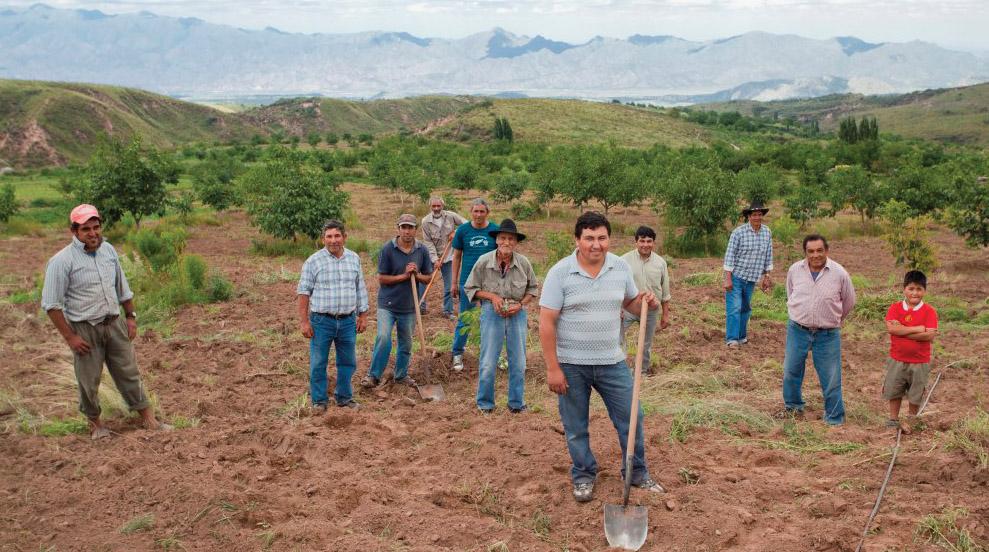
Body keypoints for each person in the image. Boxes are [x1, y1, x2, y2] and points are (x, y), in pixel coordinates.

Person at [539, 211, 666, 503]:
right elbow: (546, 322)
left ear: (609, 239)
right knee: (575, 426)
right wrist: (553, 368)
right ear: (577, 240)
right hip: (571, 364)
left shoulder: (620, 267)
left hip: (612, 360)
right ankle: (583, 474)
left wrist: (646, 303)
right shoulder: (560, 272)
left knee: (632, 417)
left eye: (602, 238)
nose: (596, 244)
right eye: (589, 238)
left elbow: (631, 304)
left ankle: (635, 473)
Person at [40, 204, 170, 440]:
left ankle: (149, 420)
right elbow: (51, 305)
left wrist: (130, 317)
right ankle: (96, 426)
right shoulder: (61, 261)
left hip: (114, 324)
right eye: (86, 229)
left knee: (129, 373)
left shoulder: (108, 251)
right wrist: (71, 337)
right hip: (84, 330)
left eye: (96, 227)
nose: (92, 233)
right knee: (89, 381)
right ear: (74, 231)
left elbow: (123, 288)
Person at [780, 234, 856, 426]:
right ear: (805, 253)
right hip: (798, 329)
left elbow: (849, 301)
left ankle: (834, 418)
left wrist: (834, 319)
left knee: (831, 376)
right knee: (791, 370)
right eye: (811, 251)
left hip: (827, 333)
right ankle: (793, 407)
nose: (815, 255)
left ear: (826, 251)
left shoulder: (839, 273)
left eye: (819, 250)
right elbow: (790, 293)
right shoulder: (795, 270)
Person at [463, 219, 538, 414]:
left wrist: (520, 304)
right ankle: (485, 404)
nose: (506, 242)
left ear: (515, 242)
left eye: (511, 239)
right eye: (503, 238)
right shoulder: (483, 261)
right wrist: (492, 297)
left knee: (519, 361)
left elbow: (532, 289)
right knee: (488, 361)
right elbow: (470, 288)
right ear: (497, 240)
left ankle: (516, 403)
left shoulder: (523, 263)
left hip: (517, 314)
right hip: (491, 312)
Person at [297, 220, 370, 413]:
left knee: (347, 362)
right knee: (318, 362)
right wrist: (304, 322)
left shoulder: (354, 259)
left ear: (344, 237)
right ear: (323, 239)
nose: (333, 240)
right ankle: (319, 401)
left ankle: (344, 398)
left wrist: (363, 315)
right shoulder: (313, 261)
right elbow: (304, 292)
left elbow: (360, 288)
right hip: (322, 321)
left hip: (347, 321)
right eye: (329, 236)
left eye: (337, 236)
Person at [362, 214, 433, 387]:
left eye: (410, 227)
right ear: (398, 229)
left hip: (409, 306)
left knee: (406, 342)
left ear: (416, 230)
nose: (407, 231)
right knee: (384, 337)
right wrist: (404, 276)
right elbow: (382, 278)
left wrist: (417, 274)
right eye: (404, 227)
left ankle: (401, 375)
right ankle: (373, 375)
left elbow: (428, 278)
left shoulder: (421, 250)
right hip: (388, 304)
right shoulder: (388, 249)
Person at [883, 270, 937, 432]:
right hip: (897, 358)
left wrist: (903, 329)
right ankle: (893, 419)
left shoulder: (929, 311)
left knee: (916, 392)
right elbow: (892, 330)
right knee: (894, 389)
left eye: (919, 289)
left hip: (920, 361)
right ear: (904, 289)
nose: (915, 293)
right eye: (911, 288)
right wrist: (918, 329)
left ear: (924, 291)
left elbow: (929, 335)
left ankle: (911, 420)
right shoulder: (895, 308)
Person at [450, 198, 499, 372]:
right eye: (475, 211)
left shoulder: (495, 230)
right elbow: (456, 257)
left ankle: (496, 355)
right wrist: (454, 282)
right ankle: (457, 353)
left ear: (487, 213)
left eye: (482, 211)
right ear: (470, 212)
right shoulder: (463, 231)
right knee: (465, 318)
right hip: (468, 282)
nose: (478, 215)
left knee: (494, 318)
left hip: (491, 282)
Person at [620, 226, 672, 374]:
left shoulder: (660, 263)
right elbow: (617, 287)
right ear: (636, 242)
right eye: (642, 241)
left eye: (649, 241)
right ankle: (620, 369)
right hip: (628, 307)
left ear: (653, 243)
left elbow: (665, 291)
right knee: (617, 337)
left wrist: (665, 315)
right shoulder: (623, 261)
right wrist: (618, 308)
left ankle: (641, 371)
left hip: (651, 309)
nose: (645, 245)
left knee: (646, 343)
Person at [723, 201, 773, 347]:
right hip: (736, 276)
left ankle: (741, 336)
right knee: (734, 307)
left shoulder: (767, 232)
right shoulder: (738, 233)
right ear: (748, 217)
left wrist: (767, 276)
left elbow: (768, 255)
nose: (757, 217)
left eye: (759, 214)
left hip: (752, 278)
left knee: (745, 308)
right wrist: (727, 278)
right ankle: (732, 339)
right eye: (754, 215)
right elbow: (730, 255)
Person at [421, 197, 466, 320]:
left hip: (449, 255)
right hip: (431, 255)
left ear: (442, 206)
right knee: (424, 280)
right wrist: (435, 259)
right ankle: (421, 307)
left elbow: (467, 224)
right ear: (430, 207)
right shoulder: (425, 221)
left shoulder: (451, 216)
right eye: (433, 206)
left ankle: (447, 311)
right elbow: (428, 242)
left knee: (449, 284)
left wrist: (456, 232)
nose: (436, 208)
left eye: (438, 206)